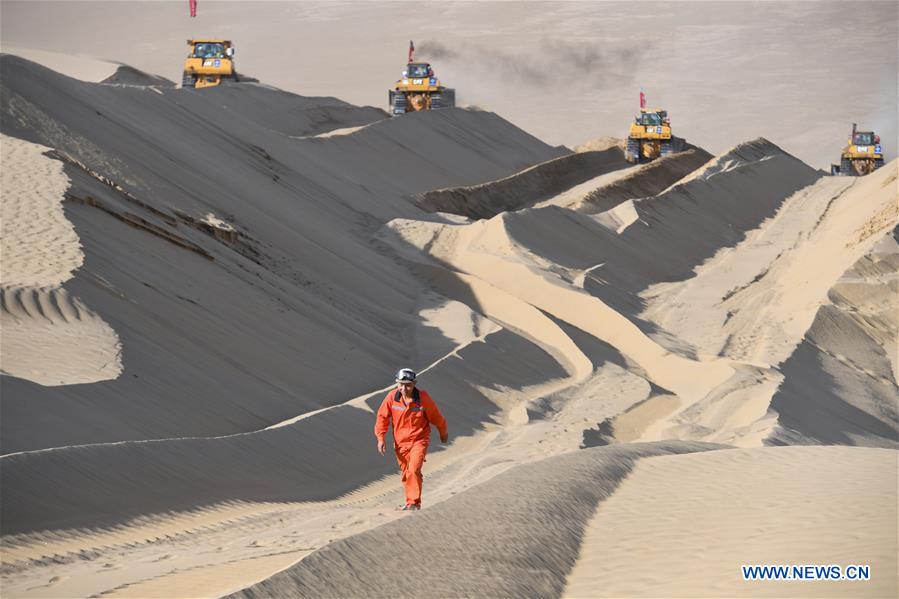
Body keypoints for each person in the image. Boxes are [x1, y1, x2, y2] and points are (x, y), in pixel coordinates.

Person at [374, 368, 448, 511]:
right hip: (400, 443)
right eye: (400, 384)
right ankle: (410, 502)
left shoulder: (423, 398)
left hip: (419, 440)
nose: (403, 388)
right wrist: (381, 438)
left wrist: (443, 433)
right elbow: (382, 417)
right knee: (407, 473)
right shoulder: (391, 398)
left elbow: (437, 417)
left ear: (414, 383)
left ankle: (414, 503)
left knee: (413, 470)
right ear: (396, 383)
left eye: (408, 384)